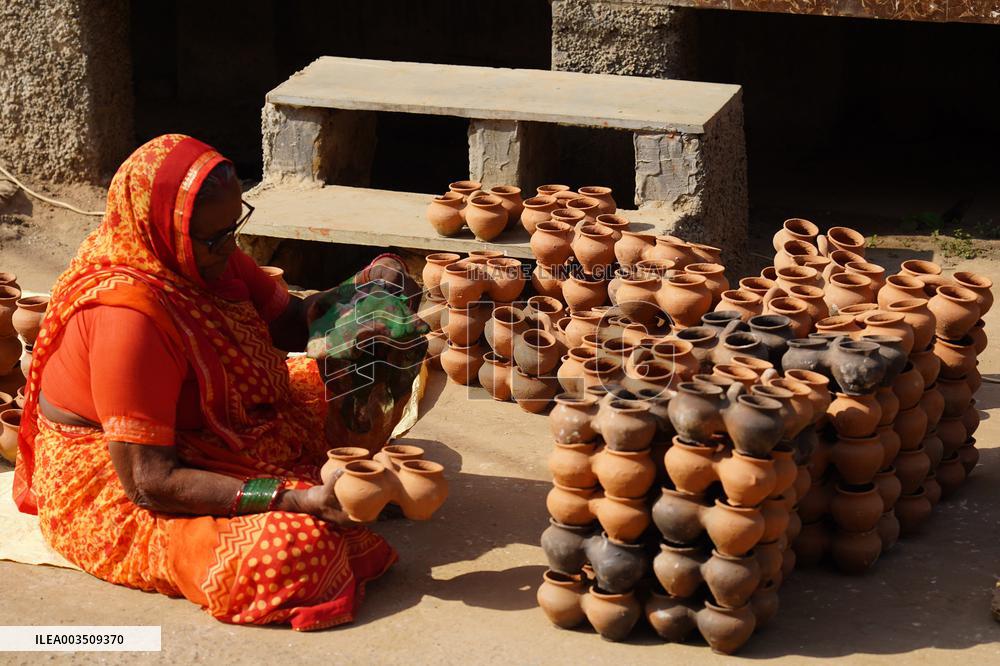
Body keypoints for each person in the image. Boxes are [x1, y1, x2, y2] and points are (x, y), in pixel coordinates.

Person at [13, 134, 426, 630]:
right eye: (215, 238)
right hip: (120, 474)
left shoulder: (205, 253)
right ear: (162, 227)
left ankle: (313, 486)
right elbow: (150, 481)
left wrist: (366, 291)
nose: (231, 247)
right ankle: (301, 500)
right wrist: (292, 500)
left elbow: (291, 321)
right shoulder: (129, 317)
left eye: (234, 227)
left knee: (370, 364)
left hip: (215, 426)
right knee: (299, 550)